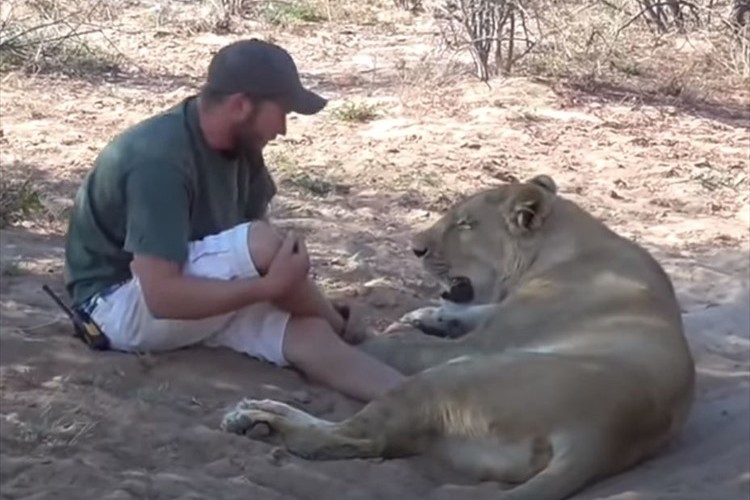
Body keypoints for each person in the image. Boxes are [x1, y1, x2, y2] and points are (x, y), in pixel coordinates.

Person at [63, 39, 405, 402]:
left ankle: (433, 408)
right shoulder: (159, 161)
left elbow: (255, 262)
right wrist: (269, 290)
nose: (284, 129)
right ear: (241, 105)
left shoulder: (243, 148)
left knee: (309, 333)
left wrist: (294, 298)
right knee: (264, 245)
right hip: (116, 307)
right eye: (284, 112)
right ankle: (342, 328)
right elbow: (163, 296)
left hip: (188, 295)